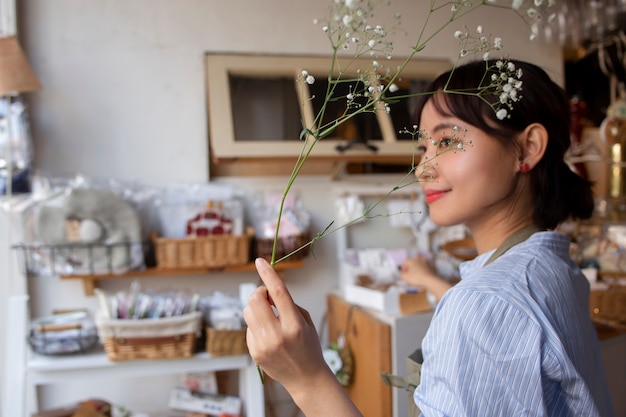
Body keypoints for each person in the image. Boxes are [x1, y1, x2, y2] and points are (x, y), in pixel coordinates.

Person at [243, 59, 616, 417]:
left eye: (448, 141)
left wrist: (306, 379)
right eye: (423, 147)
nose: (423, 168)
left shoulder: (483, 303)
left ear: (528, 146)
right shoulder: (553, 266)